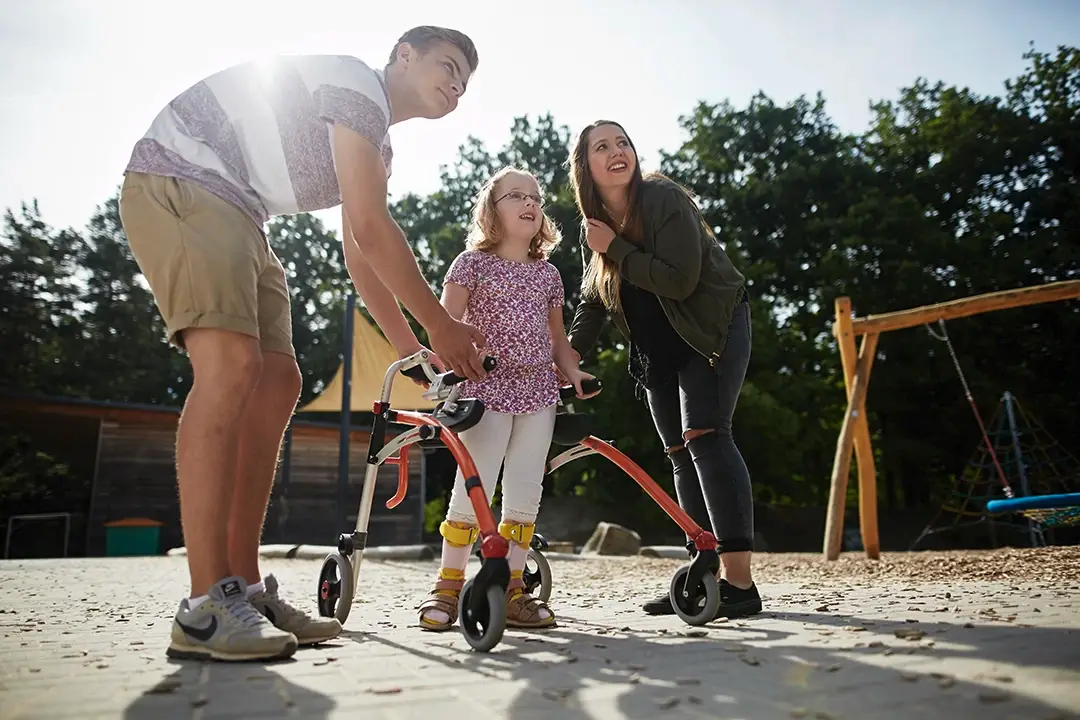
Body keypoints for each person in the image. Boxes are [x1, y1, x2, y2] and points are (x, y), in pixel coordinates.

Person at [117, 26, 489, 662]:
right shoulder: (356, 86)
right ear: (404, 56)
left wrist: (414, 354)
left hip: (241, 212)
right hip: (183, 177)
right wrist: (441, 327)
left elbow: (360, 256)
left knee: (278, 380)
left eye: (465, 81)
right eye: (448, 66)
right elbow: (373, 230)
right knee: (231, 364)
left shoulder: (379, 146)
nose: (455, 85)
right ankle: (206, 605)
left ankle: (245, 589)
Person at [564, 120, 762, 619]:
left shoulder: (661, 198)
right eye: (601, 147)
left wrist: (616, 248)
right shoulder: (596, 224)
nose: (616, 152)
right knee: (678, 451)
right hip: (658, 349)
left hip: (709, 329)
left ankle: (740, 585)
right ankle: (703, 573)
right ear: (584, 166)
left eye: (622, 142)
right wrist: (565, 358)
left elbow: (679, 281)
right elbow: (593, 299)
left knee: (707, 436)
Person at [416, 167, 599, 632]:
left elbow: (558, 340)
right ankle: (449, 585)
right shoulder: (470, 264)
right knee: (473, 487)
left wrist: (573, 370)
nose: (530, 203)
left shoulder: (549, 275)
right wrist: (449, 366)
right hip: (485, 386)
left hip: (539, 392)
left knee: (524, 494)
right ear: (490, 210)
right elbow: (444, 326)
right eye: (515, 195)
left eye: (535, 197)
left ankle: (513, 589)